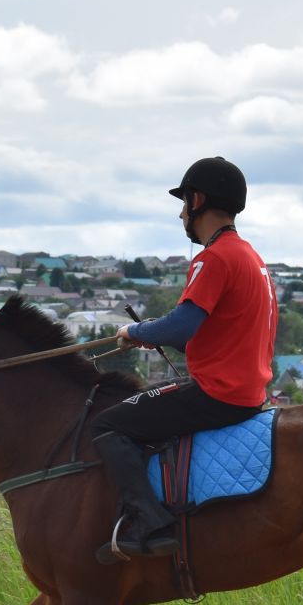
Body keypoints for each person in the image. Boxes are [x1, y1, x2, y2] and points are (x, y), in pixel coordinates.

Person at [89, 157, 278, 560]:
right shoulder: (251, 257)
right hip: (248, 391)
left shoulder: (214, 258)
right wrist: (157, 336)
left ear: (198, 200)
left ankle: (148, 523)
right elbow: (212, 331)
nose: (180, 214)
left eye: (183, 203)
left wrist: (134, 332)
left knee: (108, 424)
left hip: (218, 395)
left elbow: (180, 327)